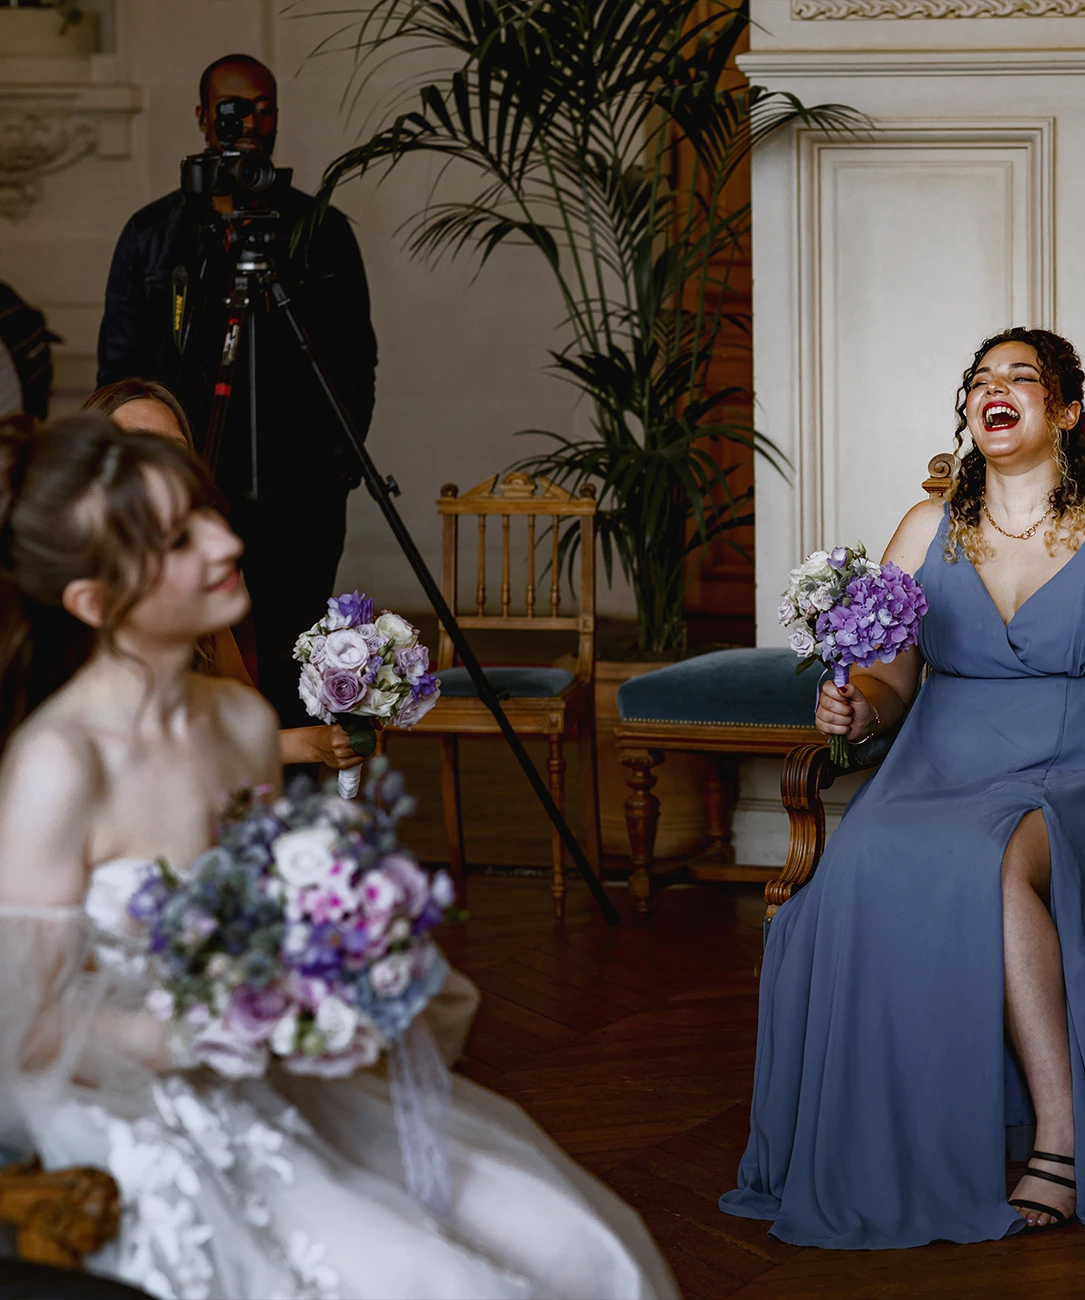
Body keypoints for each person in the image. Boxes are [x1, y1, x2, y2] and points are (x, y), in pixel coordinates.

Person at [0, 415, 677, 1299]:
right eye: (179, 538)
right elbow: (30, 1025)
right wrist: (194, 1031)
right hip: (123, 1111)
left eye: (208, 514)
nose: (225, 542)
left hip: (265, 1075)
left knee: (572, 1242)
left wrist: (338, 971)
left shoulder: (240, 723)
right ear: (95, 601)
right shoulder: (61, 763)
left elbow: (273, 903)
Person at [720, 328, 1085, 1247]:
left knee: (989, 865)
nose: (997, 389)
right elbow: (889, 681)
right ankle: (901, 1139)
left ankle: (1060, 1138)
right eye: (983, 379)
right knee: (858, 868)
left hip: (1081, 763)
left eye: (1021, 378)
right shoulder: (923, 528)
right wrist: (856, 710)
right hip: (941, 758)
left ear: (1062, 412)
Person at [96, 53, 377, 738]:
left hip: (298, 490)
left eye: (263, 106)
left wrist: (339, 467)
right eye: (230, 108)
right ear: (200, 117)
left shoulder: (318, 231)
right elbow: (120, 371)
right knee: (195, 658)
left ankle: (299, 794)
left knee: (293, 654)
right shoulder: (153, 235)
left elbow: (354, 359)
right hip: (186, 493)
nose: (248, 123)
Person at [81, 379, 360, 774]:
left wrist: (317, 743)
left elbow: (240, 711)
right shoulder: (78, 591)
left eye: (175, 451)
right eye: (138, 447)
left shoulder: (190, 580)